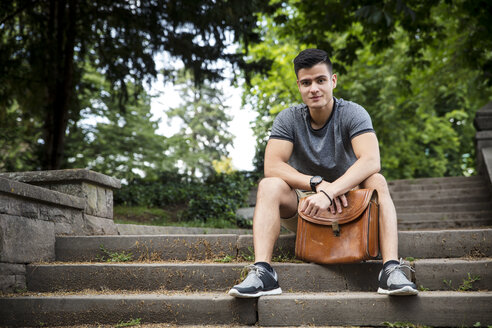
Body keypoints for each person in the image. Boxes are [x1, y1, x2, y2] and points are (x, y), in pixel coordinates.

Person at [228, 48, 418, 298]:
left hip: (352, 209)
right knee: (269, 185)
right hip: (305, 210)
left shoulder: (353, 113)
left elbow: (371, 160)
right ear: (298, 85)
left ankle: (391, 268)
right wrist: (316, 184)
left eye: (320, 80)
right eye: (306, 83)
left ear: (333, 81)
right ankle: (263, 273)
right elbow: (272, 166)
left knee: (377, 180)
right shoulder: (288, 119)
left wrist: (331, 191)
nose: (314, 89)